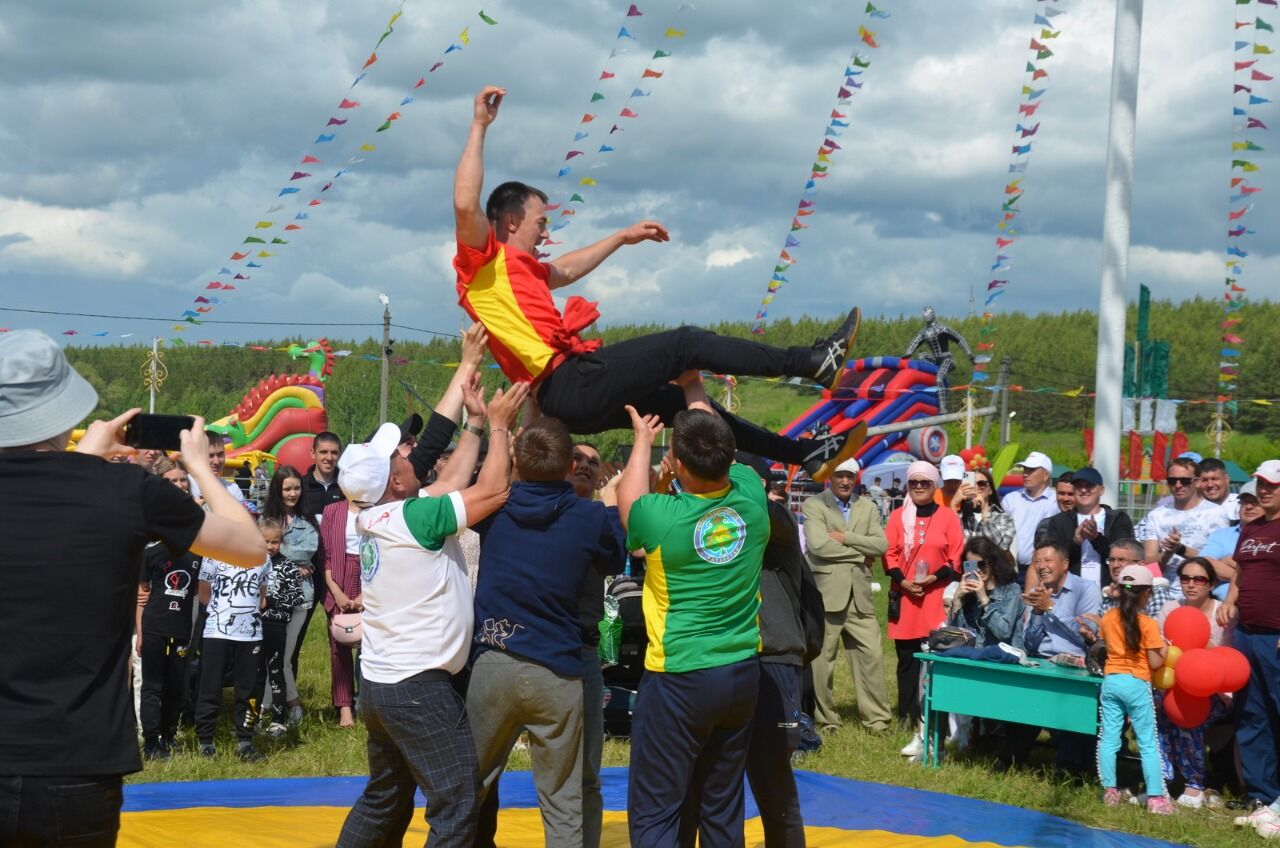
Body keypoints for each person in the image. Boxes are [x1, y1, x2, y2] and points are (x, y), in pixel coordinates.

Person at [451, 85, 863, 481]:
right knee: (685, 344)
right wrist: (479, 125)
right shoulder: (482, 262)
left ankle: (803, 453)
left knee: (673, 402)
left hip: (571, 401)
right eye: (540, 222)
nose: (545, 232)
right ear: (510, 221)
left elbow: (567, 270)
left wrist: (620, 238)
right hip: (567, 383)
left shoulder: (523, 269)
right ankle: (811, 361)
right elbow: (465, 202)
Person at [0, 330, 265, 845]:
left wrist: (83, 462)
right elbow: (250, 545)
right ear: (63, 412)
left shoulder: (111, 483)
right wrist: (199, 468)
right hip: (76, 760)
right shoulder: (127, 492)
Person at [336, 382, 526, 848]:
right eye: (400, 456)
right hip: (418, 688)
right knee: (458, 800)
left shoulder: (368, 516)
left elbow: (454, 480)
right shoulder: (416, 518)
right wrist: (501, 426)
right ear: (397, 481)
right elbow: (494, 489)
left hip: (381, 684)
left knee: (385, 797)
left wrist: (476, 424)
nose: (408, 452)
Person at [616, 398, 767, 848]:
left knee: (657, 810)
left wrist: (642, 440)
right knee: (721, 807)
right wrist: (696, 395)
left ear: (677, 464)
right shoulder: (752, 496)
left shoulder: (658, 517)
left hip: (680, 676)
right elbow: (716, 436)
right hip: (740, 672)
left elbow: (629, 500)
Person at [466, 418, 621, 848]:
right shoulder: (589, 517)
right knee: (563, 800)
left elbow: (478, 483)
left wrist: (496, 429)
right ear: (568, 464)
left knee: (466, 789)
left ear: (517, 460)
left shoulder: (494, 504)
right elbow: (614, 558)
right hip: (558, 670)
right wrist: (610, 503)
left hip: (494, 661)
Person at [801, 457, 891, 734]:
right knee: (822, 661)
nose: (844, 481)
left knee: (872, 656)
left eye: (849, 476)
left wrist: (846, 538)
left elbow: (882, 545)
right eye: (839, 475)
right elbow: (817, 546)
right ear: (830, 477)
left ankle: (877, 720)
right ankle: (827, 720)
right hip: (827, 594)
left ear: (856, 478)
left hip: (860, 596)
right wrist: (861, 553)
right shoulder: (814, 504)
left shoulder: (868, 506)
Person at [884, 460, 963, 757]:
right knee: (906, 661)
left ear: (935, 485)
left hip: (934, 598)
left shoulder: (948, 517)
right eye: (913, 483)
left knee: (933, 660)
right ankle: (907, 715)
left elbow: (955, 558)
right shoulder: (896, 517)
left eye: (925, 483)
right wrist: (903, 582)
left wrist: (932, 578)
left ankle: (931, 717)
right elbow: (889, 555)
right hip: (905, 598)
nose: (918, 487)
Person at [1000, 543, 1102, 773]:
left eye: (1048, 561)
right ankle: (1010, 758)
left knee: (1073, 701)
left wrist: (1051, 608)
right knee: (1022, 697)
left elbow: (1087, 636)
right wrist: (1036, 612)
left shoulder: (1086, 589)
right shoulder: (1039, 591)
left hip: (1077, 665)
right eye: (1037, 562)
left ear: (1064, 564)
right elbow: (1030, 644)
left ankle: (1069, 766)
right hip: (1043, 661)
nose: (1042, 567)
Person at [1218, 460, 1280, 826]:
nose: (1265, 489)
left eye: (1272, 484)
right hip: (1246, 635)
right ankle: (1262, 797)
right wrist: (1229, 601)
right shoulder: (1251, 528)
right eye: (1260, 483)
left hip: (1275, 637)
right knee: (1252, 715)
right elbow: (1241, 571)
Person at [136, 459, 204, 761]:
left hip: (181, 630)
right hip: (153, 627)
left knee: (177, 687)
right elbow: (142, 595)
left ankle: (169, 736)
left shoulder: (197, 554)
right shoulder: (151, 552)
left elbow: (201, 594)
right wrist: (139, 632)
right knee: (153, 685)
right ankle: (151, 741)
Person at [1155, 558, 1231, 809]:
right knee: (1156, 709)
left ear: (1212, 584)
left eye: (1199, 579)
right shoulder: (1170, 608)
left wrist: (1202, 644)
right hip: (1173, 684)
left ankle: (1194, 784)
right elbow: (1159, 649)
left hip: (1216, 691)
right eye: (1185, 578)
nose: (1191, 584)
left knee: (1188, 714)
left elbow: (1229, 661)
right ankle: (1161, 779)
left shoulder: (1223, 613)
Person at [1096, 565, 1173, 815]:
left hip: (1111, 681)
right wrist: (1164, 649)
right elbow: (1153, 663)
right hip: (1137, 683)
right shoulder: (1148, 624)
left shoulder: (1107, 618)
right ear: (1146, 594)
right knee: (1147, 742)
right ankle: (1156, 798)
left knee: (1108, 738)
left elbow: (1107, 645)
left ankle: (1109, 791)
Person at [195, 544, 270, 761]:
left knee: (248, 690)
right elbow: (203, 593)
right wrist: (223, 614)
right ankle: (205, 740)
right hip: (217, 630)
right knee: (210, 685)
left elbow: (261, 596)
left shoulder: (262, 556)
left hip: (250, 633)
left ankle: (245, 741)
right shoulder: (213, 553)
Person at [261, 465, 323, 725]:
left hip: (299, 599)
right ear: (278, 489)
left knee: (284, 656)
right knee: (270, 655)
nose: (292, 493)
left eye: (296, 488)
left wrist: (275, 548)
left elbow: (308, 549)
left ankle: (288, 706)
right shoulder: (265, 518)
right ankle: (274, 705)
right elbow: (257, 548)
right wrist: (291, 560)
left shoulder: (307, 523)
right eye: (287, 488)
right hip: (268, 597)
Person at [1137, 456, 1230, 592]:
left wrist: (1181, 549)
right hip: (1164, 593)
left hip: (1203, 592)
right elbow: (1150, 563)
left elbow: (1222, 564)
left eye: (1185, 481)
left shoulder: (1216, 513)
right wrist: (1167, 553)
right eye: (1172, 481)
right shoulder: (1156, 516)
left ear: (1197, 482)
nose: (1178, 485)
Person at [1034, 467, 1134, 590]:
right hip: (1071, 594)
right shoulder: (1059, 522)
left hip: (1109, 591)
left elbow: (1126, 557)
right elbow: (1054, 561)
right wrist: (1076, 542)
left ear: (1101, 490)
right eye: (1078, 486)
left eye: (1089, 486)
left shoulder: (1118, 519)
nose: (1083, 490)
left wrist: (1096, 538)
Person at [257, 517, 306, 737]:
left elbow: (297, 595)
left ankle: (278, 715)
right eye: (266, 541)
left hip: (279, 623)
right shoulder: (253, 563)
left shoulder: (287, 565)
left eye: (275, 542)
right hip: (255, 624)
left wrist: (271, 600)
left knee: (278, 666)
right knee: (260, 669)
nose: (270, 546)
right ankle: (259, 711)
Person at [947, 536, 1025, 649]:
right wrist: (957, 601)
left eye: (981, 564)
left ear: (992, 563)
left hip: (1004, 660)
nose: (977, 570)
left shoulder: (1011, 590)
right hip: (975, 658)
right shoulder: (967, 594)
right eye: (971, 566)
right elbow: (955, 638)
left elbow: (1003, 632)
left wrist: (984, 600)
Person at [1001, 451, 1060, 581]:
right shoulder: (1010, 499)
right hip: (1010, 569)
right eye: (1025, 469)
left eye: (1031, 470)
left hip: (1043, 571)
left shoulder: (1056, 502)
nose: (1025, 473)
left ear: (1045, 475)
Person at [1199, 479, 1261, 598]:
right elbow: (1203, 565)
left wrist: (1226, 562)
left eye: (1255, 502)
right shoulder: (1221, 535)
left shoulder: (1274, 535)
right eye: (1244, 502)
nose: (1248, 507)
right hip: (1220, 607)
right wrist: (1245, 577)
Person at [954, 466, 1016, 552]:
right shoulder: (959, 516)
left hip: (990, 565)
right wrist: (953, 505)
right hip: (965, 565)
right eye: (971, 484)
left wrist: (984, 512)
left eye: (981, 484)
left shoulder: (1003, 518)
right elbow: (949, 542)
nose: (976, 488)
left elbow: (999, 547)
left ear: (990, 490)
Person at [188, 429, 248, 506]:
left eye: (220, 455)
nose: (216, 461)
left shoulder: (233, 489)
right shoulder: (185, 484)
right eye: (210, 455)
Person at [301, 431, 344, 519]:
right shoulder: (301, 486)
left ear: (340, 454)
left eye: (334, 452)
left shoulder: (347, 486)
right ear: (313, 453)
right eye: (323, 452)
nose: (329, 458)